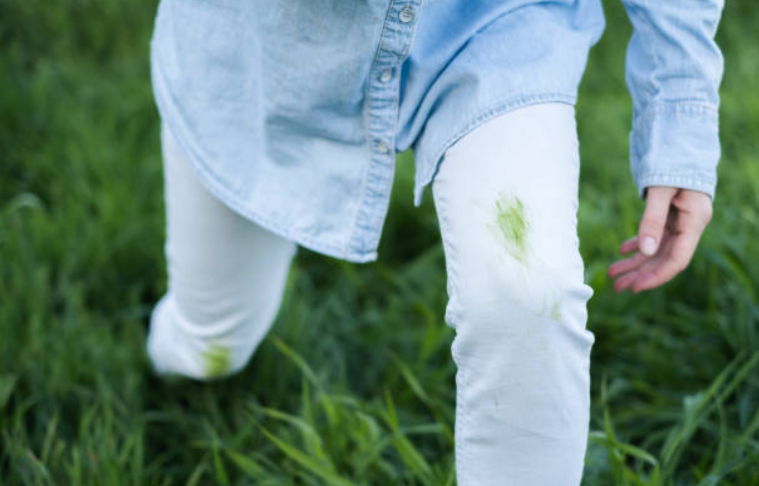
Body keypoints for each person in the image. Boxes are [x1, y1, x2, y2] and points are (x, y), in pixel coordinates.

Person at [145, 0, 723, 484]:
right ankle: (178, 363)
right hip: (267, 50)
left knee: (525, 294)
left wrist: (680, 112)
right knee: (208, 347)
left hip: (495, 24)